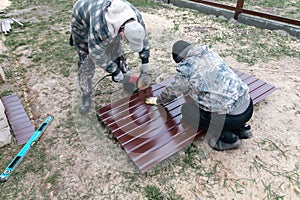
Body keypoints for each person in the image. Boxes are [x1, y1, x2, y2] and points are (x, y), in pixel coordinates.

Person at [145, 40, 253, 151]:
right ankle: (243, 129)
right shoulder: (209, 53)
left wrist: (158, 100)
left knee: (187, 111)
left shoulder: (187, 69)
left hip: (232, 118)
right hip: (248, 105)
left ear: (180, 59)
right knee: (223, 101)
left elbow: (172, 92)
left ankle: (228, 139)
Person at [70, 0, 150, 114]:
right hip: (82, 20)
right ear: (122, 33)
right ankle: (86, 95)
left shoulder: (136, 17)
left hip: (105, 21)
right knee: (86, 60)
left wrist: (145, 61)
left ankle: (127, 81)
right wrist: (114, 70)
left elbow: (144, 39)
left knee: (117, 51)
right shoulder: (100, 28)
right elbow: (96, 54)